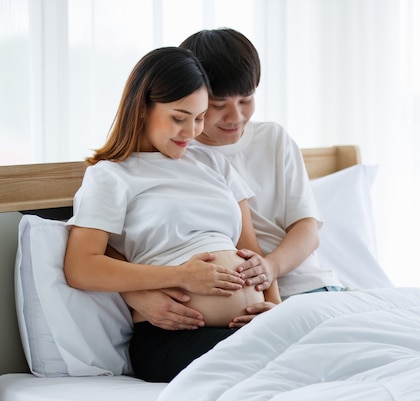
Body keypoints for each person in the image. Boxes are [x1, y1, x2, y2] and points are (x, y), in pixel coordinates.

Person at [63, 46, 280, 383]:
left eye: (199, 118)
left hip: (252, 328)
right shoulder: (111, 176)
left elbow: (253, 254)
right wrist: (179, 276)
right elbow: (81, 266)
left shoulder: (214, 164)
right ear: (141, 109)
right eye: (179, 118)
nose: (192, 132)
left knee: (303, 345)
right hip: (172, 337)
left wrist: (275, 311)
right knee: (279, 358)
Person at [122, 28, 346, 331]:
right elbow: (124, 247)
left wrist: (270, 268)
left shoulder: (273, 139)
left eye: (247, 99)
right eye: (217, 105)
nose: (235, 116)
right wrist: (137, 296)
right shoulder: (177, 149)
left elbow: (307, 229)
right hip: (235, 310)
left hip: (303, 285)